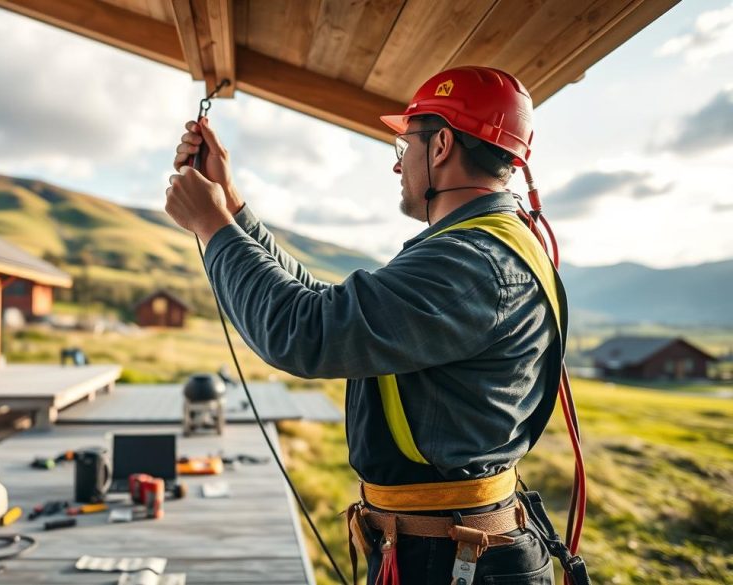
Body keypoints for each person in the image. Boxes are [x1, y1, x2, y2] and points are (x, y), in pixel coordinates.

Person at [165, 66, 566, 584]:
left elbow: (306, 331)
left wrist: (212, 227)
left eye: (404, 147)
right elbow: (326, 305)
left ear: (441, 144)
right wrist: (233, 208)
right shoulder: (481, 249)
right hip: (444, 548)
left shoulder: (470, 263)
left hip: (452, 558)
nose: (397, 167)